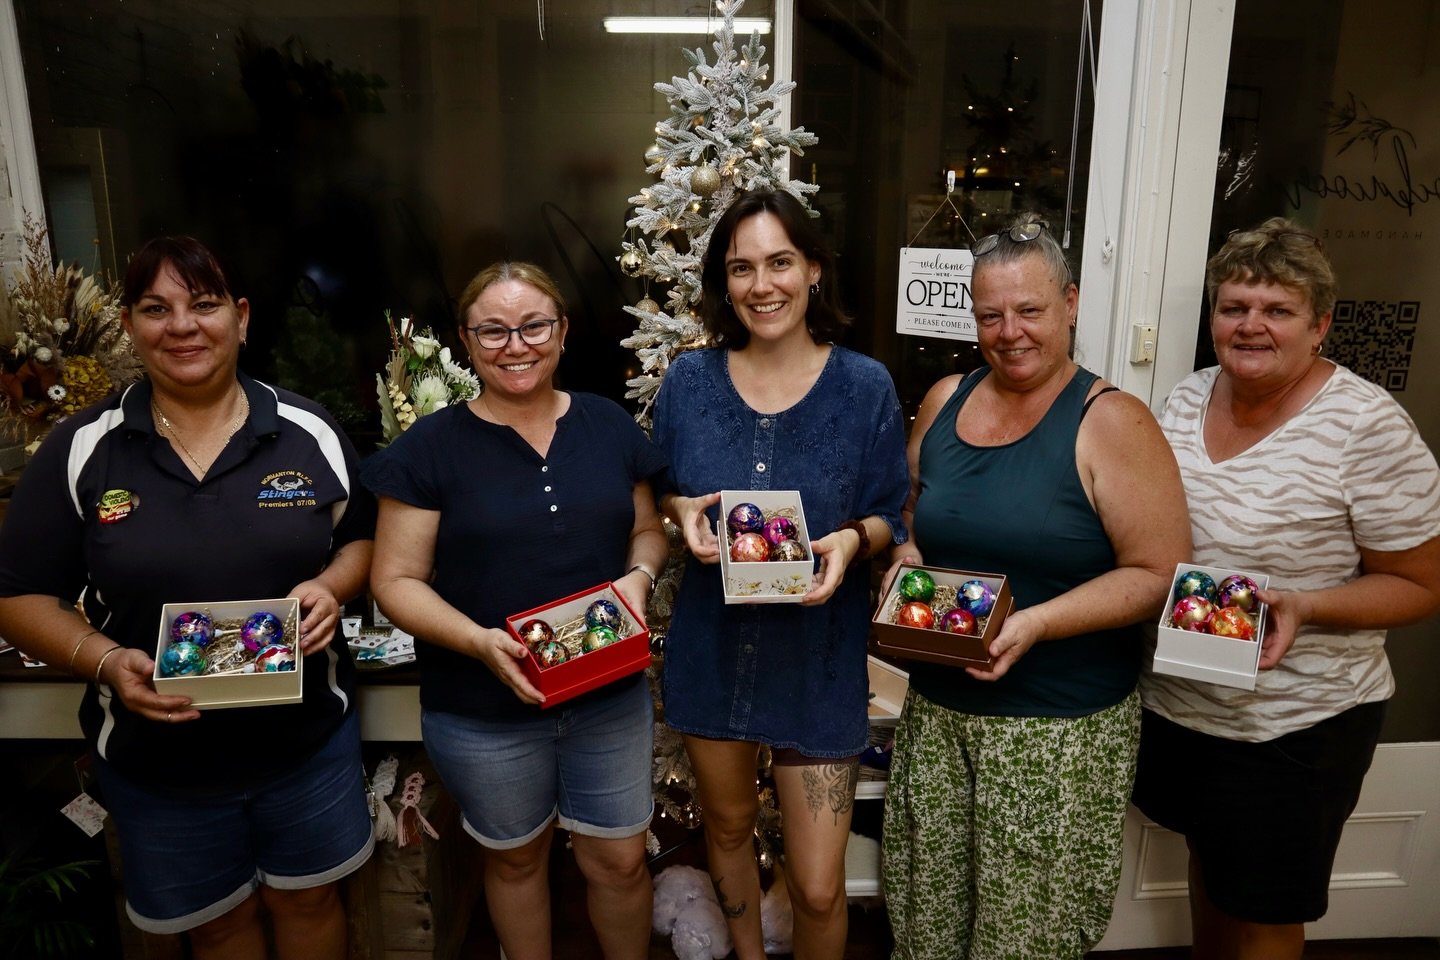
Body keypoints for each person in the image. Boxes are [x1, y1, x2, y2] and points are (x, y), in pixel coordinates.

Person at [0, 236, 376, 959]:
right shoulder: (83, 449)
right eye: (156, 308)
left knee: (312, 904)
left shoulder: (309, 433)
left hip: (305, 747)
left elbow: (361, 539)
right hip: (158, 762)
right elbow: (19, 597)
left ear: (240, 318)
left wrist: (332, 587)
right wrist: (107, 662)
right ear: (131, 325)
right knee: (219, 924)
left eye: (203, 305)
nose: (182, 326)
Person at [880, 215, 1190, 959]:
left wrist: (1037, 622)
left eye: (1031, 310)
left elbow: (1159, 576)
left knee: (1025, 940)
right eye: (991, 314)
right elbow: (915, 515)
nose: (1010, 331)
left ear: (1072, 304)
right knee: (926, 925)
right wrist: (905, 554)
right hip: (940, 719)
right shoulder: (947, 397)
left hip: (1056, 737)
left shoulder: (1111, 420)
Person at [1131, 218, 1440, 960]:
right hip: (1184, 700)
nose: (1251, 326)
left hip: (1296, 726)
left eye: (1278, 310)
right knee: (1212, 872)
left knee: (1265, 906)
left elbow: (1420, 583)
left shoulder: (1366, 426)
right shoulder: (1186, 397)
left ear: (1320, 324)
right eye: (1234, 307)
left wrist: (1306, 604)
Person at [363, 261, 668, 960]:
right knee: (515, 860)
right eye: (492, 330)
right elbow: (396, 580)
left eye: (533, 325)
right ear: (466, 342)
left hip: (607, 696)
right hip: (481, 709)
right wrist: (478, 642)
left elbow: (647, 530)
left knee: (618, 861)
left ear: (560, 332)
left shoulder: (606, 425)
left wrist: (640, 578)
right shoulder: (428, 450)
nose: (515, 344)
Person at [653, 188, 910, 960]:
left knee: (820, 885)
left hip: (820, 658)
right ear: (723, 283)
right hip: (713, 647)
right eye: (741, 268)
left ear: (814, 271)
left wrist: (851, 542)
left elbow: (890, 512)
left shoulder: (864, 388)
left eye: (779, 262)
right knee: (727, 828)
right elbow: (662, 489)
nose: (761, 284)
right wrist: (681, 513)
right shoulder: (689, 384)